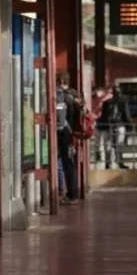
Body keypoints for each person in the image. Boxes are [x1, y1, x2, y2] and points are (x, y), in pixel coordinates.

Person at [55, 72, 79, 203]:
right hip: (72, 133)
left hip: (64, 133)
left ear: (60, 81)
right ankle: (71, 193)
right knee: (69, 162)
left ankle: (70, 194)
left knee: (65, 163)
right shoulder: (74, 94)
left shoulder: (62, 95)